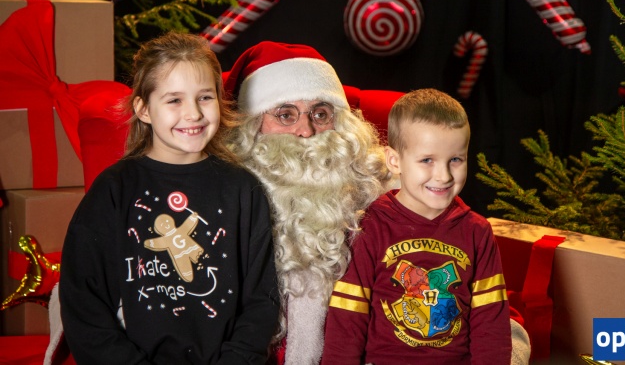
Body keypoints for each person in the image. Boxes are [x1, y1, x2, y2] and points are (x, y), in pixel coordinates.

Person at [59, 32, 279, 364]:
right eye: (174, 100)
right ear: (144, 109)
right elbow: (82, 301)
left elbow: (262, 299)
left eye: (205, 97)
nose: (193, 114)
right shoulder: (114, 189)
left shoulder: (243, 189)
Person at [223, 41, 392, 364]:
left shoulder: (382, 191)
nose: (306, 131)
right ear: (251, 127)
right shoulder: (224, 199)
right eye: (285, 115)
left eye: (321, 114)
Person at [321, 88, 512, 364]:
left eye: (455, 160)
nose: (443, 176)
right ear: (394, 161)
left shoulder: (477, 232)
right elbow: (348, 316)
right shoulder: (369, 227)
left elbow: (490, 322)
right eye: (427, 160)